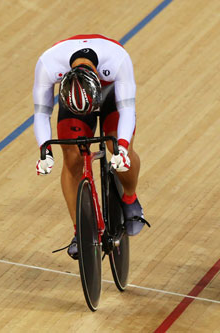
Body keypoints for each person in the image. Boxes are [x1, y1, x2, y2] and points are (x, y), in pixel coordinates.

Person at [33, 34, 147, 259]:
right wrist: (44, 151)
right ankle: (80, 232)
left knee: (116, 147)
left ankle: (130, 198)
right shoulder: (48, 65)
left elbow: (126, 111)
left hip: (111, 89)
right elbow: (41, 112)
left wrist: (122, 148)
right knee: (73, 158)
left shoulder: (117, 60)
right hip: (75, 97)